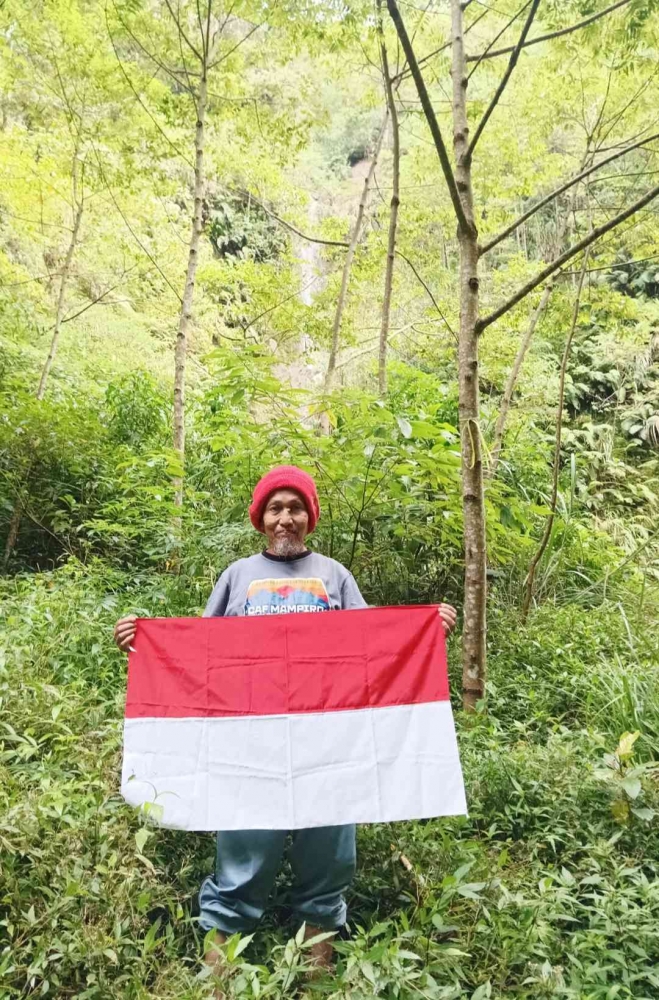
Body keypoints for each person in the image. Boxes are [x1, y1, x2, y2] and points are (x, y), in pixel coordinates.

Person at [114, 464, 457, 979]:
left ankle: (317, 967)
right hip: (250, 736)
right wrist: (145, 645)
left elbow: (372, 646)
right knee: (244, 846)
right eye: (275, 508)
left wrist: (427, 632)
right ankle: (219, 974)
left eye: (295, 508)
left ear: (309, 517)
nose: (285, 518)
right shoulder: (237, 576)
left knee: (328, 847)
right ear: (260, 518)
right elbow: (201, 653)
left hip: (329, 740)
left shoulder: (335, 575)